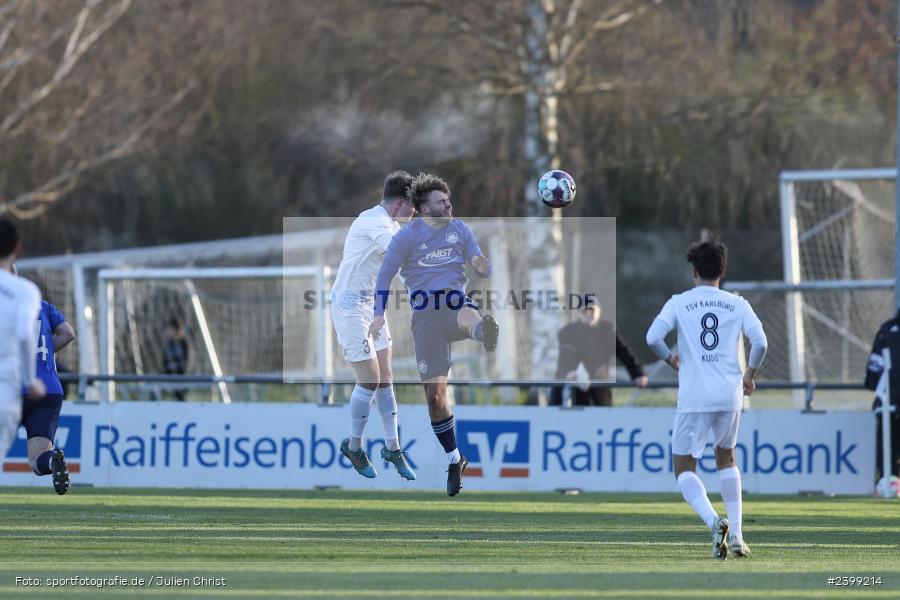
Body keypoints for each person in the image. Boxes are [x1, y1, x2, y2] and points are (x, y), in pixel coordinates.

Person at [371, 172, 498, 496]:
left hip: (455, 304)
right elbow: (384, 277)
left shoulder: (460, 229)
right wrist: (377, 313)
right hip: (425, 317)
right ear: (425, 210)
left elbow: (480, 263)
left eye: (449, 199)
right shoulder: (406, 238)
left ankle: (483, 329)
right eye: (442, 202)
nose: (449, 204)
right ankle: (456, 459)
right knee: (436, 399)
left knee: (465, 310)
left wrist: (483, 267)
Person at [645, 238, 767, 560]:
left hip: (695, 393)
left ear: (694, 271)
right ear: (722, 271)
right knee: (726, 458)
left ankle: (716, 523)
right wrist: (749, 375)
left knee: (684, 468)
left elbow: (652, 337)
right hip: (730, 394)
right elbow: (761, 342)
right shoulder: (737, 303)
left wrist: (671, 360)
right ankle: (738, 536)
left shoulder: (679, 302)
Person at [333, 170, 417, 482]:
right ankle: (354, 446)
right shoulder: (372, 221)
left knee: (386, 378)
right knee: (369, 378)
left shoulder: (391, 223)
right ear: (400, 203)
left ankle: (393, 447)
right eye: (413, 205)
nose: (416, 211)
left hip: (371, 307)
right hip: (349, 306)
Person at [11, 264, 75, 495]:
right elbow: (68, 333)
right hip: (48, 390)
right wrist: (46, 349)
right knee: (37, 461)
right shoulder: (43, 306)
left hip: (13, 389)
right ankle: (52, 462)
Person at [0, 219, 45, 464]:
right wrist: (30, 381)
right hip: (5, 390)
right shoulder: (24, 291)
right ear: (16, 248)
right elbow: (23, 334)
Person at [550, 304, 648, 406]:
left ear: (599, 311)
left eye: (592, 311)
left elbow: (624, 353)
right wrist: (570, 371)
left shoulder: (608, 330)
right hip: (571, 388)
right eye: (585, 311)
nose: (589, 314)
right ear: (578, 314)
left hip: (599, 388)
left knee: (602, 419)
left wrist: (638, 373)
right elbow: (567, 353)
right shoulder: (567, 331)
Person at [864, 310, 900, 481]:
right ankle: (887, 480)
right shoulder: (888, 329)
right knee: (887, 451)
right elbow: (875, 366)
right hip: (889, 404)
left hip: (889, 404)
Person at [162, 318, 188, 401]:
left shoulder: (184, 344)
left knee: (179, 393)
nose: (167, 332)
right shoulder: (168, 345)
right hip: (169, 377)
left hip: (181, 378)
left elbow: (187, 363)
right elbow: (164, 363)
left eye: (169, 330)